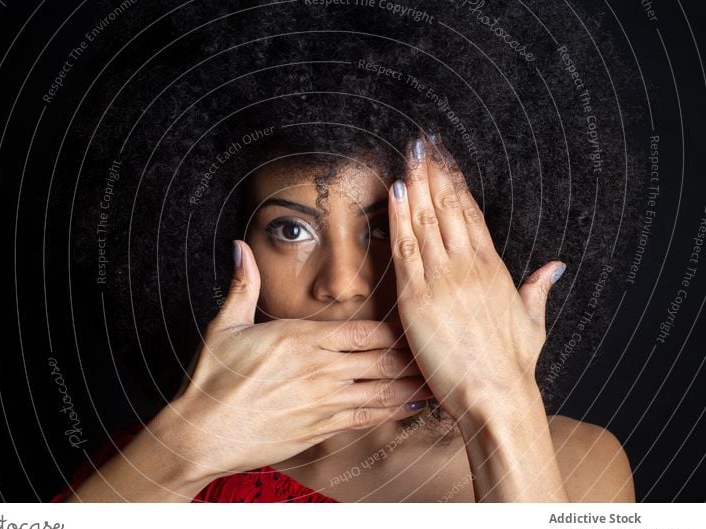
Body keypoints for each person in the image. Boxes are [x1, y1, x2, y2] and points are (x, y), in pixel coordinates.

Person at [57, 0, 644, 503]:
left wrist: (498, 400)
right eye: (291, 231)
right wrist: (186, 450)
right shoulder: (145, 466)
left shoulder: (576, 463)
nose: (341, 283)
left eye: (385, 229)